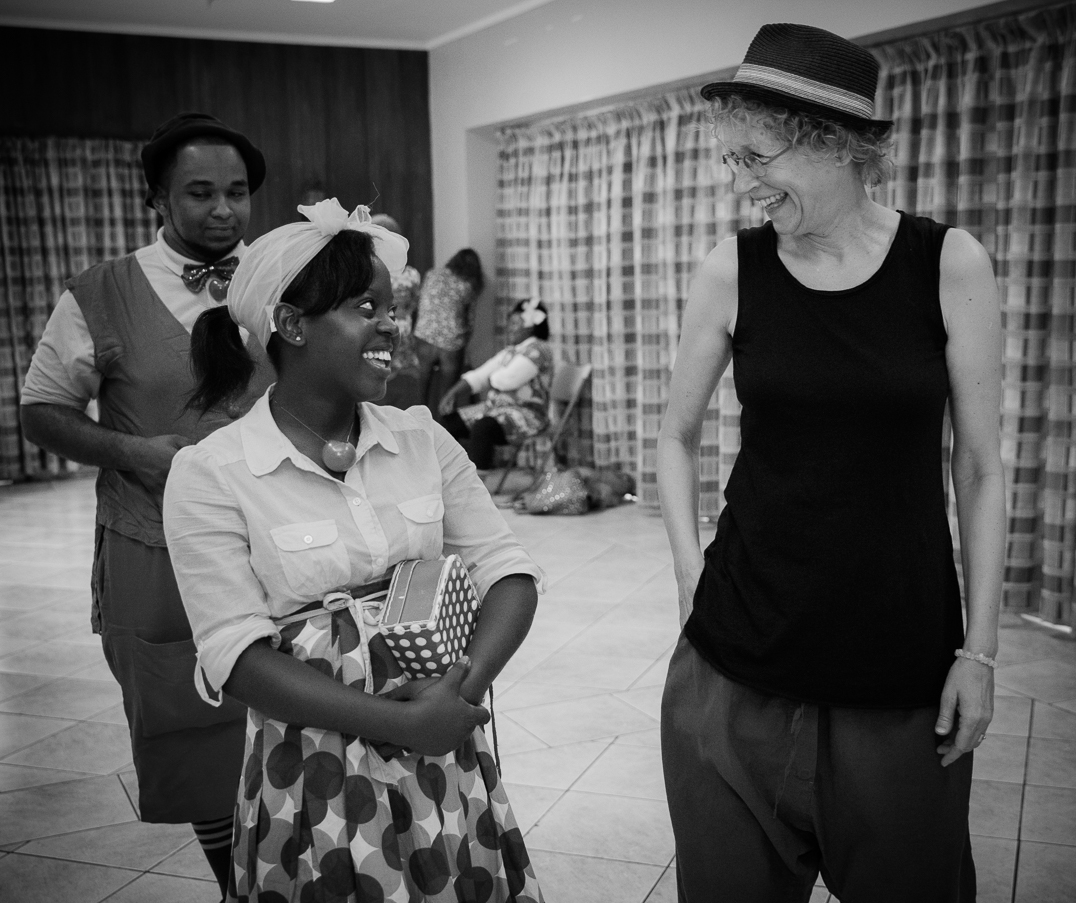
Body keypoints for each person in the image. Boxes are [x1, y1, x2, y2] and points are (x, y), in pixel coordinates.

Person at [657, 24, 1003, 903]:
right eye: (731, 159)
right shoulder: (732, 270)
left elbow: (980, 468)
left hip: (899, 669)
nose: (741, 183)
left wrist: (981, 652)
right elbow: (674, 436)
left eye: (757, 157)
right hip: (736, 665)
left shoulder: (949, 264)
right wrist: (692, 575)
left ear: (837, 144)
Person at [161, 198, 545, 902]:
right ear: (291, 324)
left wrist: (458, 695)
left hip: (442, 752)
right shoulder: (213, 473)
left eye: (392, 308)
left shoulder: (422, 439)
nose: (392, 325)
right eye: (366, 307)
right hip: (314, 768)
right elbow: (234, 654)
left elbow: (509, 573)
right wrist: (399, 721)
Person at [19, 111, 272, 899]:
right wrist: (136, 452)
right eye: (200, 192)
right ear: (157, 198)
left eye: (237, 191)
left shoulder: (287, 277)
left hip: (285, 542)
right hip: (157, 550)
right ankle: (237, 884)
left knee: (292, 721)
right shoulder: (100, 294)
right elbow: (41, 410)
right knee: (194, 728)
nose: (223, 209)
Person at [439, 298, 553, 471]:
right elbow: (480, 375)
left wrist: (490, 376)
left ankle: (479, 479)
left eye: (515, 323)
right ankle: (448, 474)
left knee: (483, 427)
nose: (509, 328)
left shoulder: (539, 350)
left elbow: (507, 380)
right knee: (450, 422)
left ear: (530, 326)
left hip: (529, 414)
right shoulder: (511, 351)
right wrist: (452, 393)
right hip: (496, 409)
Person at [413, 247, 484, 416]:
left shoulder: (432, 274)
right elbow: (470, 320)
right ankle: (443, 423)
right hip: (451, 340)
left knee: (422, 384)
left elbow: (421, 301)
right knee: (447, 393)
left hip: (425, 333)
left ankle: (418, 419)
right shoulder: (468, 286)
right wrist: (464, 342)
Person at [371, 213, 423, 408]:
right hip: (402, 331)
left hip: (380, 331)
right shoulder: (411, 274)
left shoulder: (369, 273)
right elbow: (415, 303)